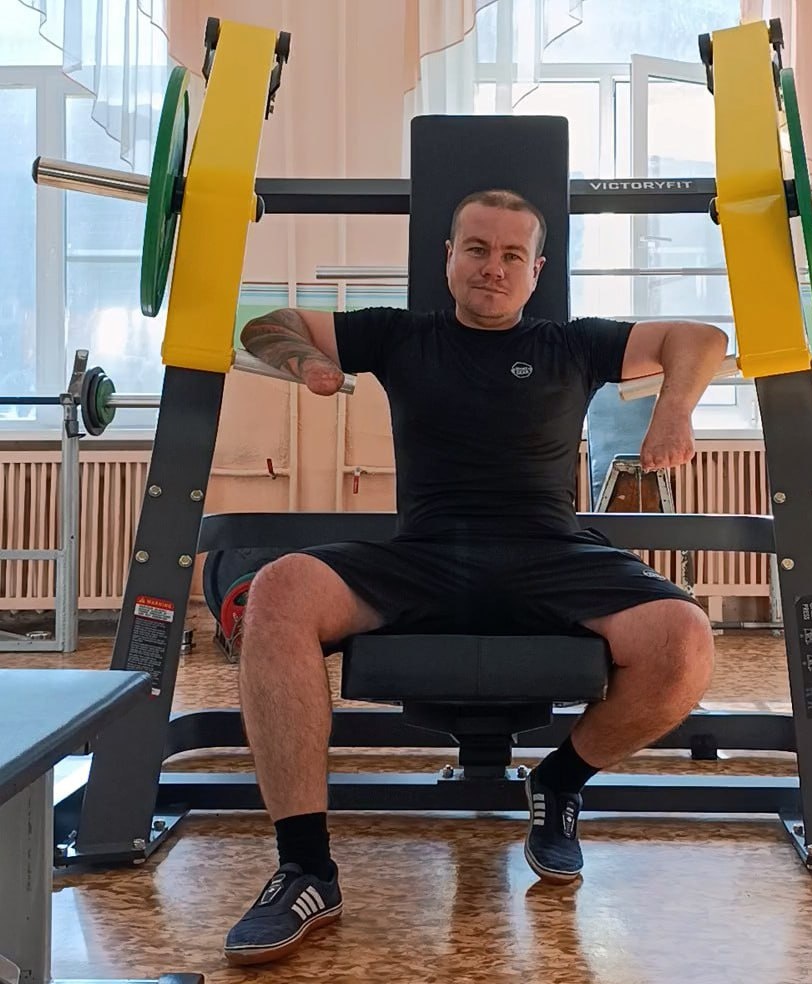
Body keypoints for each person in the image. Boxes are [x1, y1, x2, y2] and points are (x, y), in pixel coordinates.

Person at [223, 189, 727, 965]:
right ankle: (306, 869)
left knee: (684, 639)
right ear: (449, 258)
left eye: (512, 255)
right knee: (281, 589)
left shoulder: (573, 343)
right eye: (478, 250)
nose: (493, 268)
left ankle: (558, 784)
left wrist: (675, 409)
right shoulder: (400, 335)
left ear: (536, 271)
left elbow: (700, 336)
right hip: (426, 555)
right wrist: (313, 361)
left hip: (550, 552)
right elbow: (267, 326)